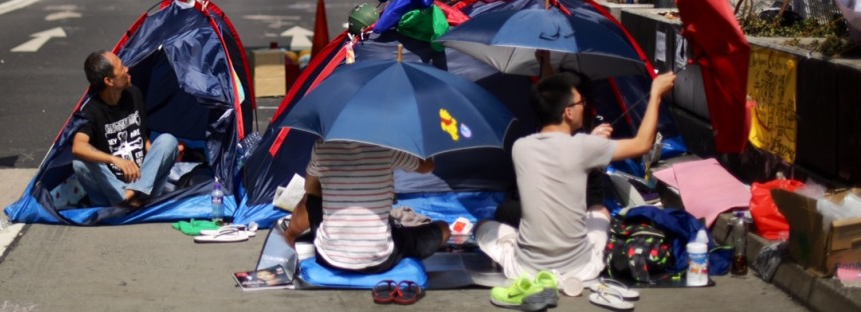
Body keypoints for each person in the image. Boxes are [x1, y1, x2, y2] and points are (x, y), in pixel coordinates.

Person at [475, 70, 676, 294]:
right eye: (582, 102)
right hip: (581, 270)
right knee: (599, 210)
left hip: (525, 269)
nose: (585, 106)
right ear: (568, 112)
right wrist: (656, 93)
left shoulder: (520, 147)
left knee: (483, 226)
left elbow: (558, 141)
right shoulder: (585, 146)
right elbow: (642, 144)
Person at [283, 140, 450, 273]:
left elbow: (310, 188)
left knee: (310, 198)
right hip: (382, 259)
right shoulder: (387, 145)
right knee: (443, 229)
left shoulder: (322, 145)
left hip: (328, 258)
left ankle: (289, 236)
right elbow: (427, 167)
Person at [71, 51, 178, 208]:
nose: (127, 69)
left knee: (168, 141)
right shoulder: (91, 110)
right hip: (112, 190)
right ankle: (124, 198)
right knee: (80, 162)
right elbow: (78, 146)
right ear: (109, 81)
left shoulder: (134, 94)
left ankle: (131, 196)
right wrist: (114, 160)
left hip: (142, 184)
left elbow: (142, 138)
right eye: (121, 68)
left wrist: (159, 158)